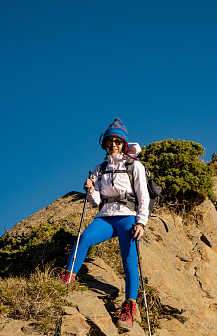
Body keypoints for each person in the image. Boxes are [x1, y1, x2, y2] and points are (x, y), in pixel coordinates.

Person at [60, 118, 150, 330]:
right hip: (105, 216)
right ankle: (67, 278)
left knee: (129, 260)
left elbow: (143, 196)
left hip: (128, 216)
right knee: (84, 239)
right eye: (109, 141)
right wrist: (91, 190)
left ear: (124, 144)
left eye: (117, 141)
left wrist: (141, 222)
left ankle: (129, 308)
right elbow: (97, 202)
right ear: (105, 144)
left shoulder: (135, 166)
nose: (113, 145)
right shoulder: (99, 168)